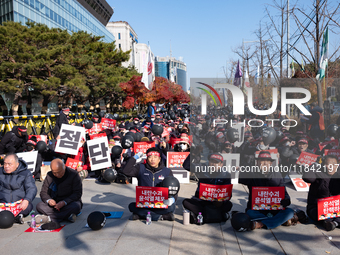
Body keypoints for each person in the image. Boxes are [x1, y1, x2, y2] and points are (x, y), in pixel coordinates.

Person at [239, 151, 297, 230]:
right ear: (257, 162)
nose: (265, 163)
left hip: (275, 209)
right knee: (250, 213)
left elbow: (284, 192)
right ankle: (278, 221)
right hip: (257, 210)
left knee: (290, 212)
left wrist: (286, 200)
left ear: (270, 163)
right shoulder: (251, 173)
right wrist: (246, 165)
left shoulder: (277, 175)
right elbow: (241, 179)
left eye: (267, 161)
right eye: (262, 161)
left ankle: (261, 224)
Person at [122, 147, 176, 221]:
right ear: (147, 158)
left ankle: (141, 214)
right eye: (150, 157)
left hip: (161, 203)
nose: (152, 159)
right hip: (145, 203)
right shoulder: (141, 168)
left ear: (159, 159)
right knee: (131, 206)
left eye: (155, 157)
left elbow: (174, 187)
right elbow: (126, 171)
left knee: (172, 207)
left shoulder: (167, 171)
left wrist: (172, 199)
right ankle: (161, 216)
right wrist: (135, 158)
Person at [182, 153, 233, 224]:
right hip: (202, 201)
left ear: (221, 164)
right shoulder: (202, 168)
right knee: (186, 202)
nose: (214, 164)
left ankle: (202, 215)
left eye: (216, 162)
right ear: (209, 162)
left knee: (229, 205)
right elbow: (186, 166)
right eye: (212, 161)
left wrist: (221, 202)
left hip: (216, 203)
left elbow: (228, 194)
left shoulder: (226, 175)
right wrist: (193, 154)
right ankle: (218, 215)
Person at [35, 158, 82, 224]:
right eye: (54, 173)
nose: (57, 175)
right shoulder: (49, 175)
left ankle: (49, 218)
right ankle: (66, 216)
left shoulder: (73, 175)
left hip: (68, 202)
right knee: (39, 206)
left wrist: (64, 202)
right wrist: (49, 200)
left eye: (60, 172)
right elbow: (43, 192)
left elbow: (77, 193)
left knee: (76, 206)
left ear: (64, 167)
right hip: (54, 204)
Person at [303, 155, 340, 231]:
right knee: (327, 216)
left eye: (334, 165)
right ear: (323, 165)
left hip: (334, 208)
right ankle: (331, 222)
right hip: (316, 208)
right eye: (328, 164)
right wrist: (315, 165)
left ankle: (334, 223)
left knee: (333, 216)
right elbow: (306, 177)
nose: (331, 167)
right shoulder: (318, 173)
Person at [0, 153, 37, 224]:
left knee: (28, 206)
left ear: (17, 164)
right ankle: (15, 217)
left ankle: (17, 216)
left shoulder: (26, 173)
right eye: (5, 164)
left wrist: (26, 200)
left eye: (9, 164)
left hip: (18, 203)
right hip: (3, 203)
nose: (6, 166)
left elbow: (31, 188)